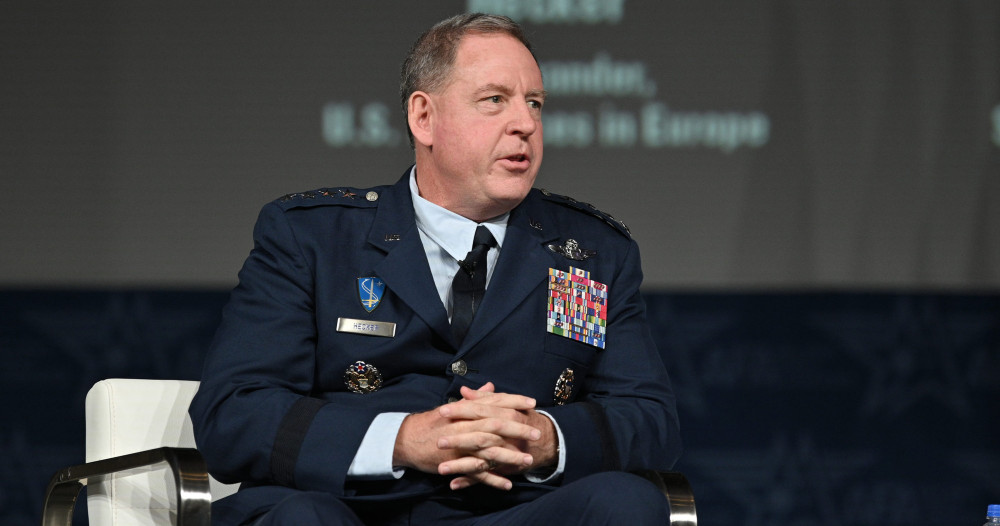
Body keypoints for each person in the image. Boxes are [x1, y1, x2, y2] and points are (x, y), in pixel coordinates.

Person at [189, 12, 681, 525]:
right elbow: (234, 411)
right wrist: (403, 440)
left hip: (511, 510)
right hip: (351, 508)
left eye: (534, 103)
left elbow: (650, 420)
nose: (526, 123)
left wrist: (543, 439)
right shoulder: (311, 237)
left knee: (628, 504)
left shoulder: (595, 252)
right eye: (495, 100)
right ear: (424, 117)